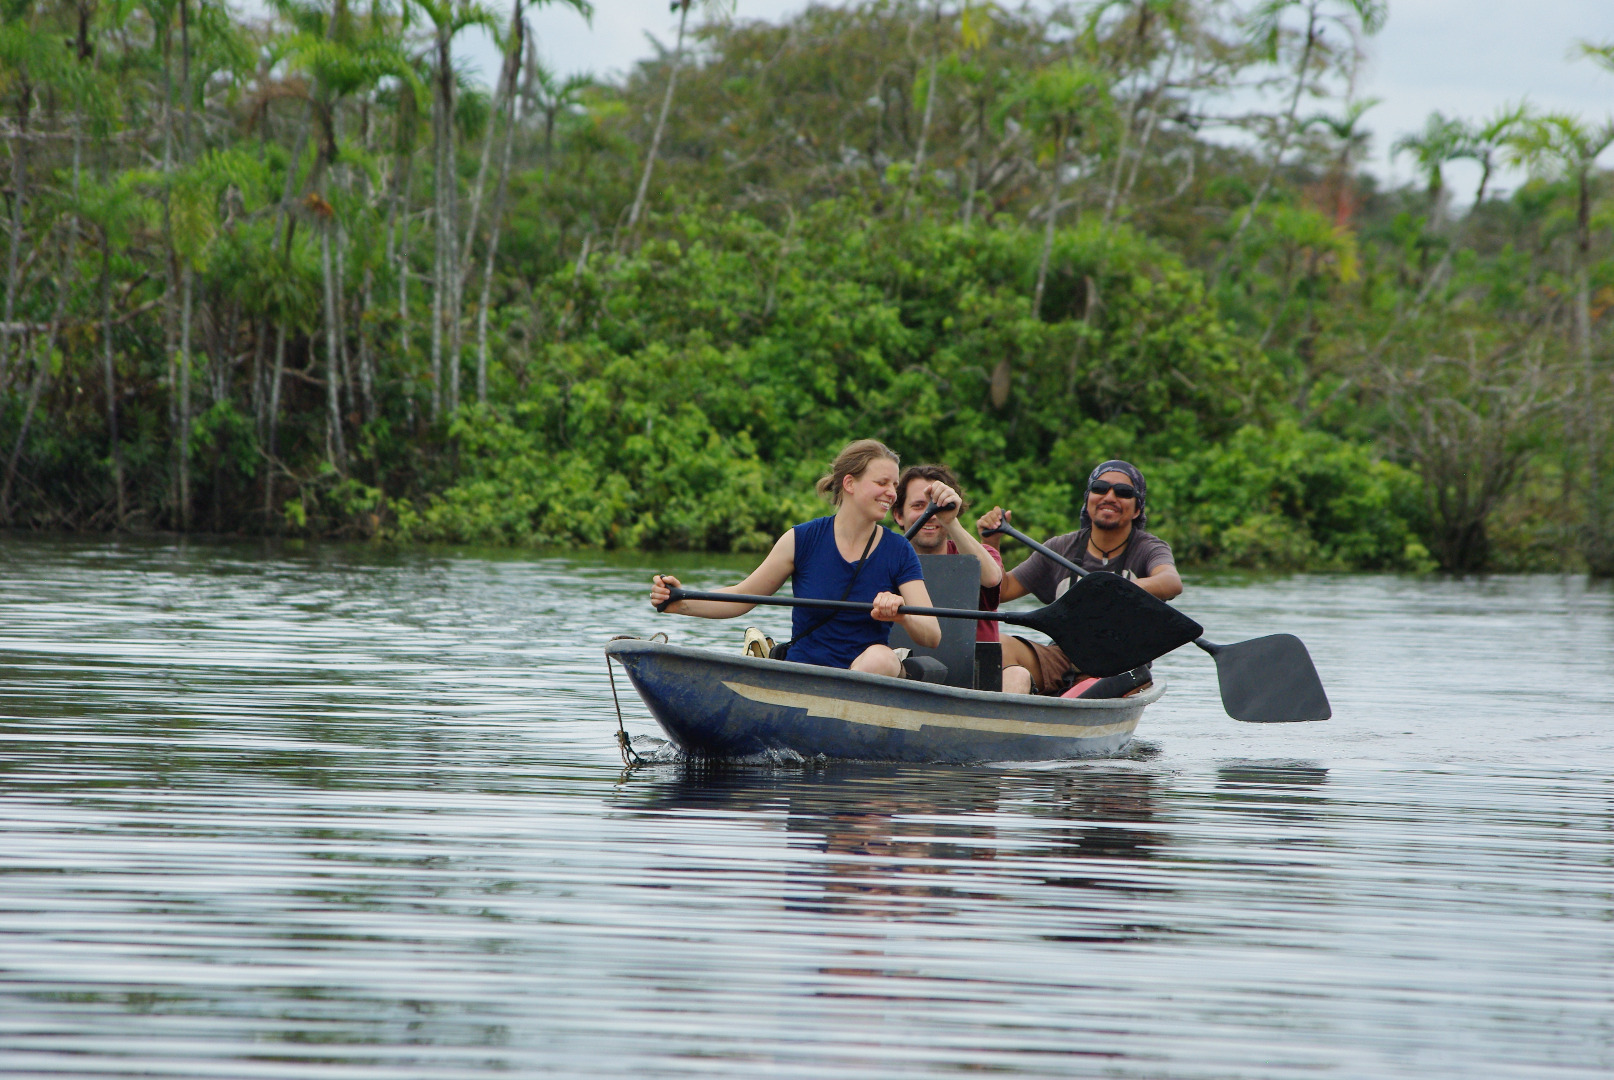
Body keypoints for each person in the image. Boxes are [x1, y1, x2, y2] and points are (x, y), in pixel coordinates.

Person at [650, 439, 941, 677]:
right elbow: (741, 596)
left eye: (894, 485)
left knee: (881, 658)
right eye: (882, 483)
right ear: (850, 484)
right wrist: (680, 601)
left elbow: (932, 634)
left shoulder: (899, 550)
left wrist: (902, 614)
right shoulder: (800, 539)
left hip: (867, 677)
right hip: (804, 675)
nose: (892, 494)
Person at [977, 459, 1183, 695]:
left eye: (1123, 492)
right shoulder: (1059, 547)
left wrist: (1118, 586)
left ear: (1137, 509)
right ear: (1088, 500)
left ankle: (1072, 697)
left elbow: (1171, 582)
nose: (1109, 497)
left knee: (1102, 685)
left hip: (1121, 665)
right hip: (1061, 657)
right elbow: (1002, 591)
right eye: (1100, 488)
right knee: (996, 645)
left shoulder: (1149, 548)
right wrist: (990, 543)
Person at [889, 464, 1003, 643]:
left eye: (938, 506)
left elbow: (992, 579)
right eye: (918, 506)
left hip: (974, 660)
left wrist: (950, 521)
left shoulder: (984, 555)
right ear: (898, 515)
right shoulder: (884, 559)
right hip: (902, 659)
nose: (930, 514)